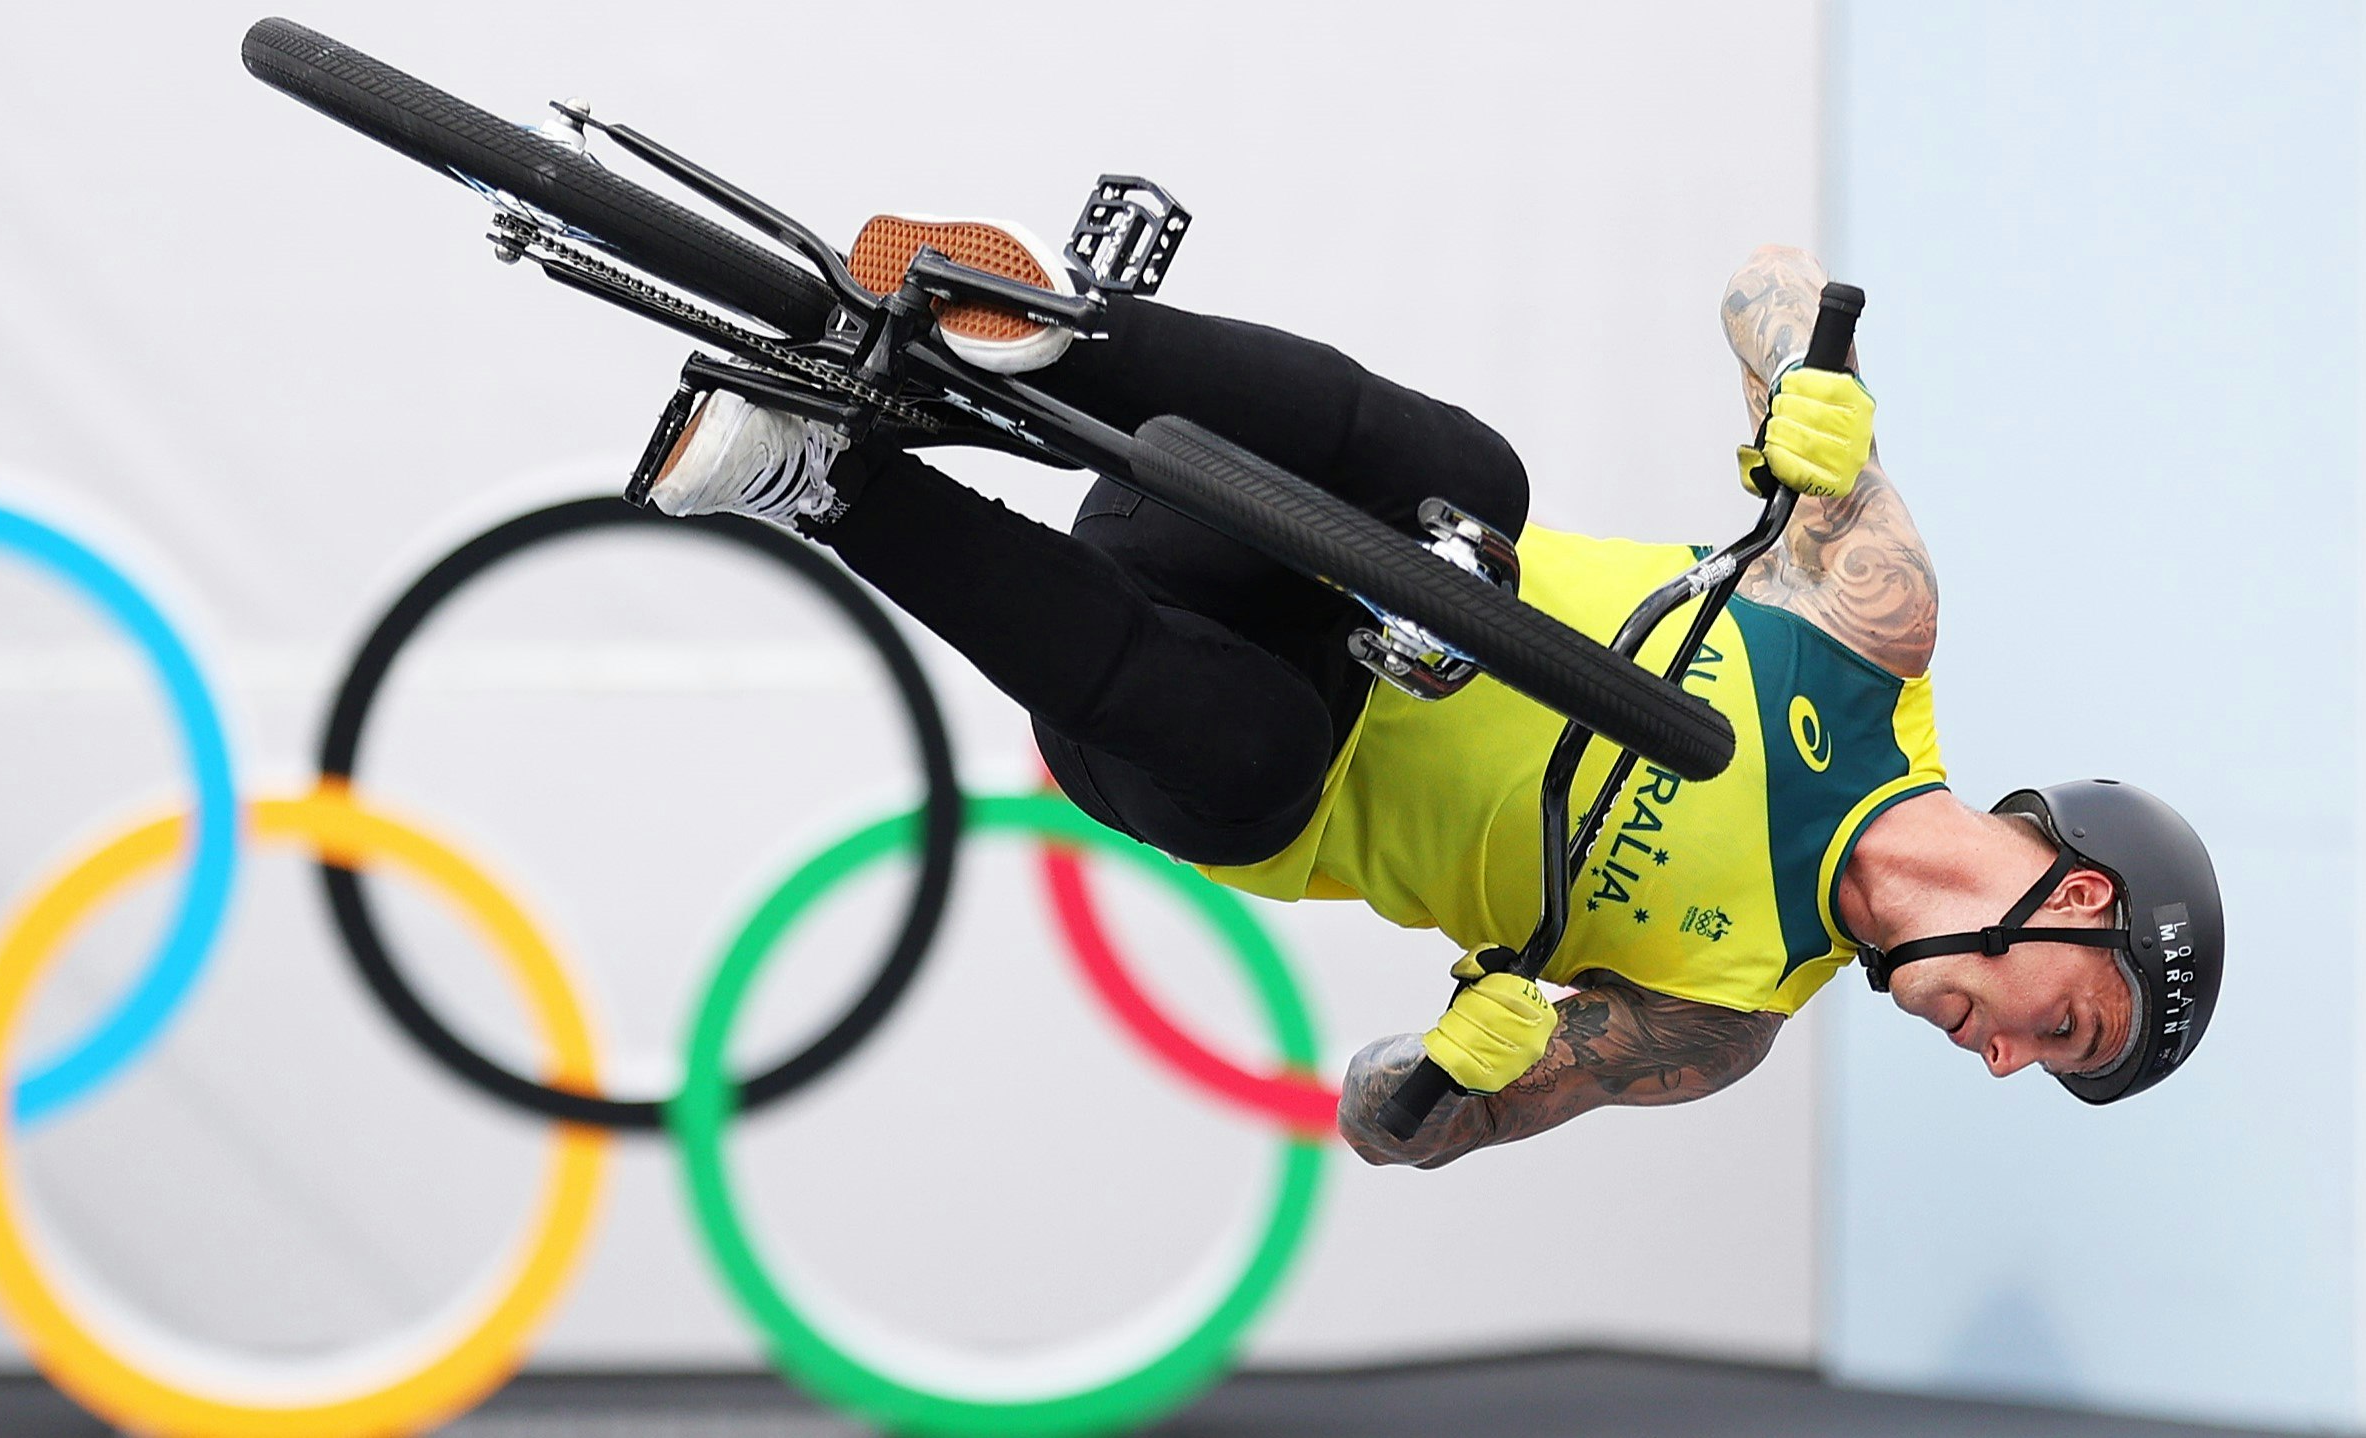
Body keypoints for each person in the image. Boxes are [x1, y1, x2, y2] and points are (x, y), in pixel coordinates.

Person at [642, 220, 2224, 1167]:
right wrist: (1815, 401)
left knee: (1261, 746)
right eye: (2060, 1027)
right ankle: (1062, 337)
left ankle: (819, 485)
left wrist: (1439, 1071)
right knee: (1481, 479)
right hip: (1250, 529)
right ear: (2074, 894)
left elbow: (1384, 1129)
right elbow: (1767, 282)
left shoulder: (1721, 1018)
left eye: (2044, 1068)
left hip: (1209, 750)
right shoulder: (1877, 634)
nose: (2004, 1059)